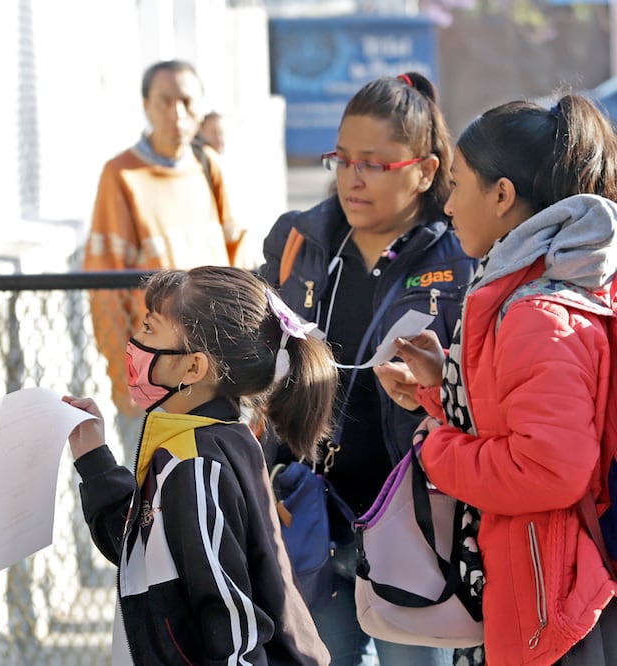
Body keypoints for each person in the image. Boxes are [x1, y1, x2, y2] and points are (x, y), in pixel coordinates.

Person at [377, 94, 617, 665]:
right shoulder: (555, 282)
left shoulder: (537, 313)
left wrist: (437, 449)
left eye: (458, 185)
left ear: (503, 195)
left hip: (551, 601)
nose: (448, 206)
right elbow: (523, 417)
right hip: (552, 583)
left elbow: (550, 470)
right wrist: (442, 386)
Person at [259, 72, 476, 666]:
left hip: (415, 523)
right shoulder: (300, 239)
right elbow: (260, 359)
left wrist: (436, 383)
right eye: (342, 159)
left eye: (374, 164)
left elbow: (486, 386)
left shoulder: (461, 252)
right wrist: (266, 470)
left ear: (425, 171)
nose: (351, 178)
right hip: (313, 512)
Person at [65, 265, 337, 664]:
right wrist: (94, 459)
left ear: (193, 367)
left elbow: (231, 620)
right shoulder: (205, 442)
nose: (134, 341)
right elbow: (139, 551)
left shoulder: (196, 463)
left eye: (149, 328)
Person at [83, 60, 243, 422]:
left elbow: (239, 262)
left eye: (187, 101)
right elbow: (105, 292)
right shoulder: (121, 175)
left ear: (201, 107)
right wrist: (125, 378)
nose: (177, 113)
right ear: (146, 105)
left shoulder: (208, 165)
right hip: (157, 379)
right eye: (165, 101)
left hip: (219, 370)